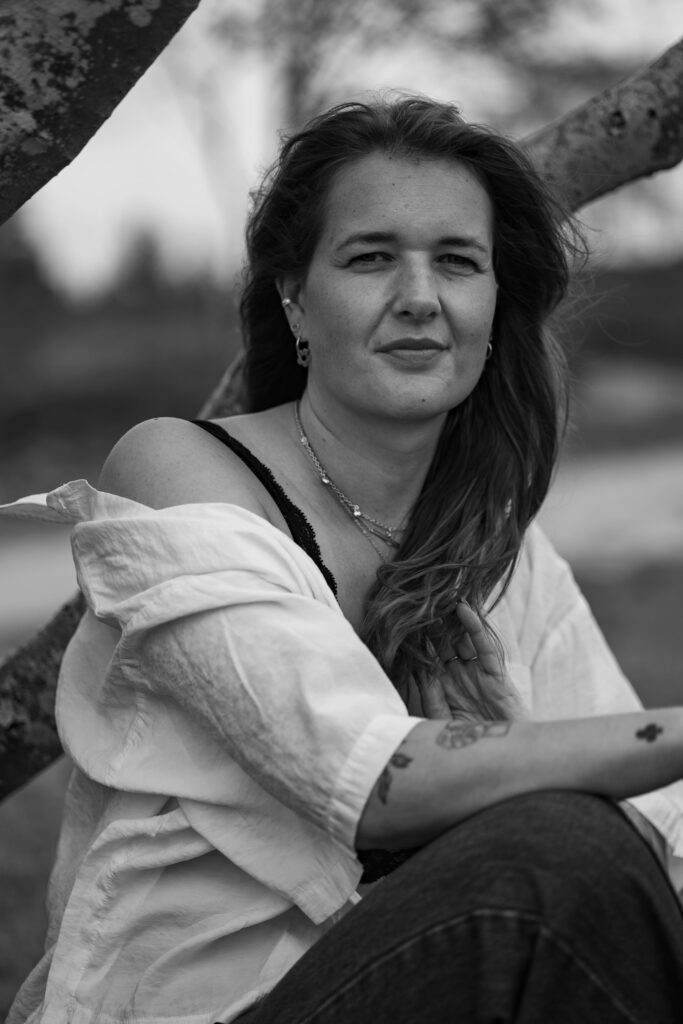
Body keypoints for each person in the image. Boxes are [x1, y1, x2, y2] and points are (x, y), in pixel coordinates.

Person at [4, 95, 683, 1024]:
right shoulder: (184, 472)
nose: (420, 297)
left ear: (494, 302)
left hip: (440, 985)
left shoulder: (498, 546)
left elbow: (655, 820)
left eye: (458, 261)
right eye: (371, 258)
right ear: (294, 296)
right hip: (219, 1007)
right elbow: (370, 781)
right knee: (557, 850)